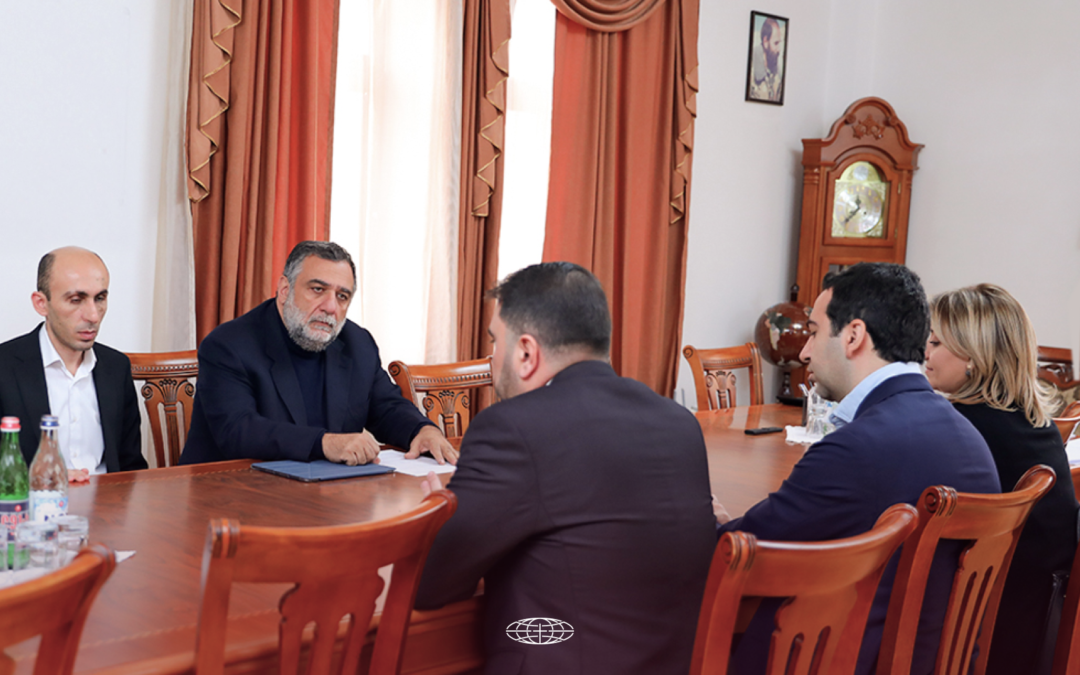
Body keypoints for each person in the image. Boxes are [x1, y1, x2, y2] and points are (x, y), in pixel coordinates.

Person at [413, 262, 716, 675]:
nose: (490, 358)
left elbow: (431, 585)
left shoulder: (514, 428)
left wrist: (438, 513)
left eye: (494, 341)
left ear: (525, 352)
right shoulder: (679, 423)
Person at [714, 263, 1000, 675]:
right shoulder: (969, 438)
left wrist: (713, 523)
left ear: (853, 336)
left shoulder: (857, 449)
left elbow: (739, 555)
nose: (805, 352)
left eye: (813, 332)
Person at [180, 241, 455, 466]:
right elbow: (238, 431)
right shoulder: (229, 345)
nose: (330, 307)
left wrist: (422, 430)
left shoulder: (357, 343)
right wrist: (325, 443)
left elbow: (386, 407)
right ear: (285, 290)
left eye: (342, 296)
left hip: (323, 497)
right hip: (231, 497)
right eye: (318, 290)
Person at [927, 284, 1078, 675]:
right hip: (1038, 617)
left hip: (985, 630)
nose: (925, 351)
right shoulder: (1033, 421)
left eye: (937, 341)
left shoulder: (963, 429)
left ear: (974, 358)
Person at [0, 247, 147, 480]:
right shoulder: (5, 367)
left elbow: (131, 465)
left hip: (108, 507)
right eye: (76, 300)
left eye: (100, 298)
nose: (93, 315)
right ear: (41, 304)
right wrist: (41, 483)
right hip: (30, 509)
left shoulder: (116, 367)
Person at [750, 17, 784, 101]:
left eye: (779, 43)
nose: (779, 49)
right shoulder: (751, 70)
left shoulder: (776, 71)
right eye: (776, 43)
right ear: (765, 42)